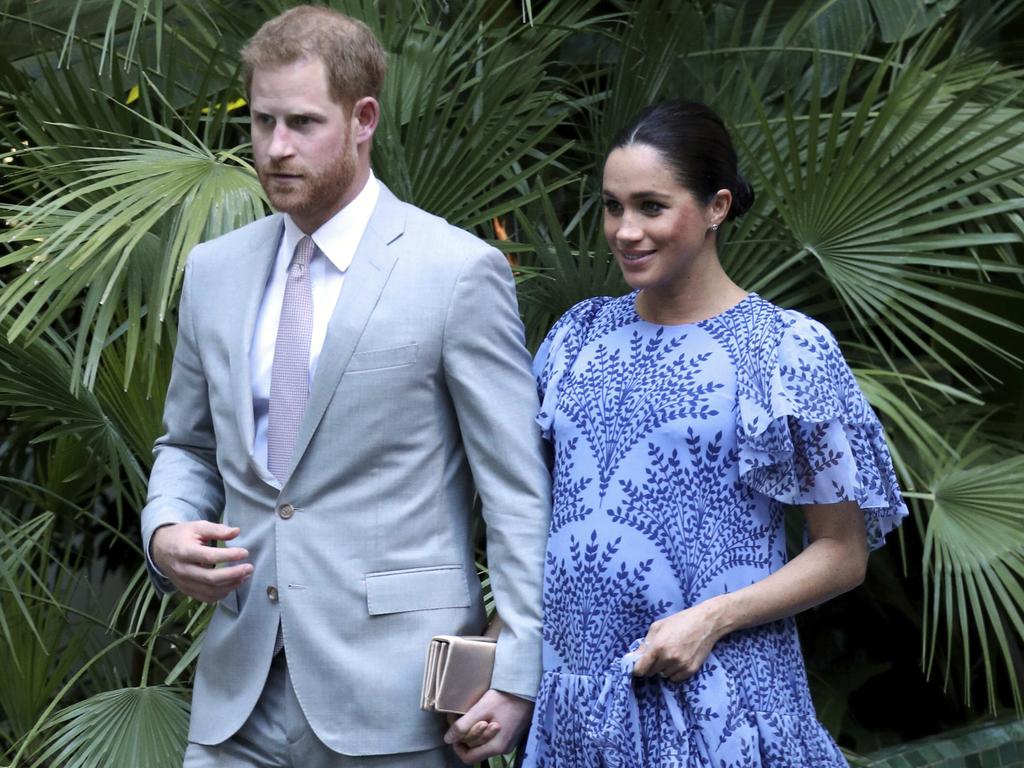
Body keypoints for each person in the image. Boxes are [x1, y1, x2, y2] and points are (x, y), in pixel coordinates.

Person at [140, 6, 550, 767]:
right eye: (262, 122)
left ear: (364, 118)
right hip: (237, 697)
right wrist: (166, 531)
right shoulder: (214, 272)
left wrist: (518, 674)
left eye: (302, 122)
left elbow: (516, 493)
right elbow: (188, 446)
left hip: (398, 701)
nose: (276, 148)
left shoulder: (457, 272)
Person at [520, 100, 908, 766]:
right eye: (613, 206)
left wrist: (714, 617)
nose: (625, 230)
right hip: (577, 711)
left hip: (719, 704)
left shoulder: (785, 351)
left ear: (717, 207)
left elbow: (842, 552)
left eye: (651, 206)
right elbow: (537, 517)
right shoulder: (574, 338)